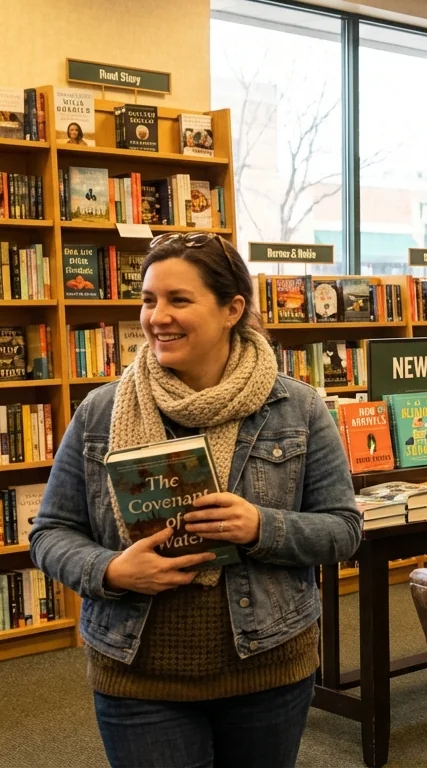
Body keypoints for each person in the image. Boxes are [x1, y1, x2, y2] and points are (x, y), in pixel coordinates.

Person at [28, 232, 361, 768]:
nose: (158, 316)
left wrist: (260, 526)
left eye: (179, 300)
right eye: (149, 299)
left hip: (267, 666)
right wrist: (110, 570)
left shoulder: (296, 407)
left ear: (232, 309)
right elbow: (49, 532)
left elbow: (343, 530)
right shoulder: (100, 411)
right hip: (136, 673)